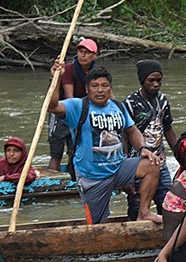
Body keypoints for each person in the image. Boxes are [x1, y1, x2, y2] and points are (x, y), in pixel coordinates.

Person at [46, 67, 164, 224]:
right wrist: (57, 79)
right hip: (93, 177)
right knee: (96, 226)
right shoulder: (79, 106)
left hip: (118, 168)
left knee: (152, 164)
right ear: (87, 89)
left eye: (104, 86)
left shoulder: (117, 106)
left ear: (110, 88)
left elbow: (132, 130)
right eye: (95, 86)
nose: (100, 90)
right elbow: (52, 106)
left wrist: (143, 148)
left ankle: (144, 212)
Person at [125, 60, 178, 220]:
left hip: (160, 161)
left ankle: (166, 236)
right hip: (138, 163)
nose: (156, 84)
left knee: (168, 200)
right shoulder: (130, 103)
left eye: (159, 80)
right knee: (137, 202)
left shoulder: (163, 101)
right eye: (151, 80)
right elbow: (125, 135)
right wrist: (125, 164)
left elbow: (168, 128)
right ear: (142, 80)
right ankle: (132, 233)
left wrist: (179, 154)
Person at [47, 38, 99, 172]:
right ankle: (54, 180)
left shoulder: (96, 71)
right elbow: (70, 98)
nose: (83, 55)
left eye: (87, 53)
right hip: (63, 110)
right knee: (56, 152)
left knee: (75, 150)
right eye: (81, 52)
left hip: (83, 112)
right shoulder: (69, 68)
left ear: (94, 55)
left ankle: (75, 177)